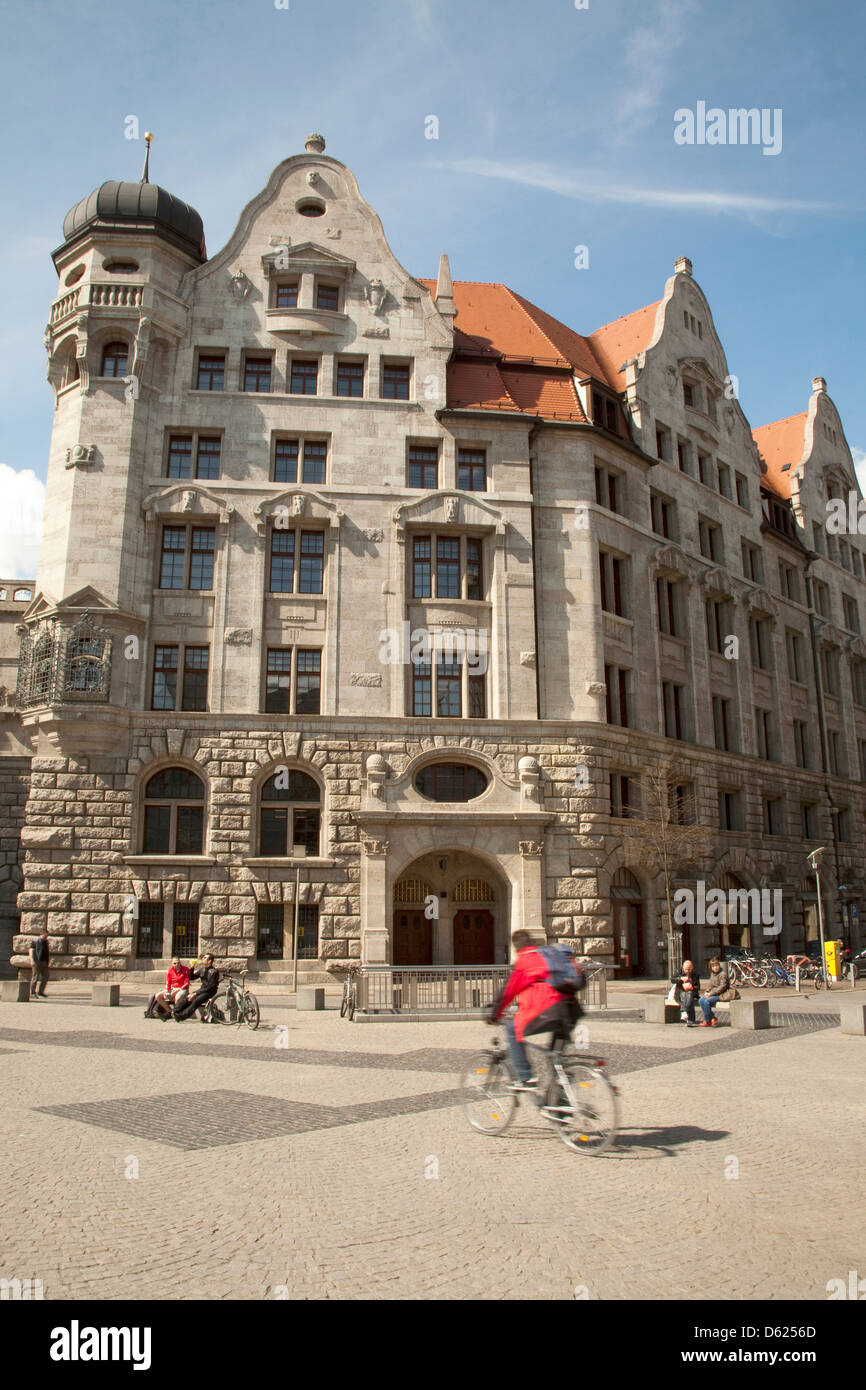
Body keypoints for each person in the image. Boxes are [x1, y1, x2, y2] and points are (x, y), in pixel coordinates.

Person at [486, 930, 582, 1092]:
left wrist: (494, 1014)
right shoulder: (548, 955)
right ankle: (560, 1105)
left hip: (549, 1009)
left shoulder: (524, 961)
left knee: (512, 1028)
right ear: (532, 942)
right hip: (571, 1010)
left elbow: (507, 993)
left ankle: (525, 1077)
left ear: (515, 947)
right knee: (555, 1059)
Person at [173, 954, 220, 1020]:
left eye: (205, 958)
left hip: (210, 992)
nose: (202, 959)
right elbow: (191, 977)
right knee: (188, 998)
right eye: (203, 957)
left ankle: (181, 1016)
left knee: (195, 1001)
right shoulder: (202, 969)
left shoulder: (214, 972)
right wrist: (192, 967)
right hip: (202, 990)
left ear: (209, 961)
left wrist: (196, 993)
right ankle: (172, 1012)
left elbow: (210, 987)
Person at [699, 957, 729, 1026]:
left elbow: (722, 987)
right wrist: (706, 992)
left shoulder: (722, 974)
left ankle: (707, 1020)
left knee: (707, 1001)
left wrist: (711, 993)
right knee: (701, 1000)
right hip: (713, 993)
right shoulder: (712, 974)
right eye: (713, 966)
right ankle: (712, 1017)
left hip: (721, 994)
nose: (715, 967)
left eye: (716, 965)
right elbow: (710, 985)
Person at [672, 959, 700, 1025]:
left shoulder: (695, 974)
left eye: (689, 969)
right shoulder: (678, 971)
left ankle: (684, 1011)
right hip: (680, 992)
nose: (687, 971)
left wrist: (691, 986)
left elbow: (697, 987)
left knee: (689, 995)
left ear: (692, 968)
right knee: (688, 997)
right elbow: (672, 979)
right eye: (686, 969)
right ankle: (691, 1020)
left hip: (692, 993)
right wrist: (680, 979)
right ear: (683, 967)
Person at [28, 929, 50, 998]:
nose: (46, 937)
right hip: (37, 962)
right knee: (35, 977)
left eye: (47, 936)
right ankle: (32, 993)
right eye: (45, 936)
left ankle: (40, 992)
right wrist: (32, 960)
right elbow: (31, 951)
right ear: (42, 934)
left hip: (44, 962)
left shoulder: (46, 941)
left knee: (46, 976)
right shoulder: (35, 941)